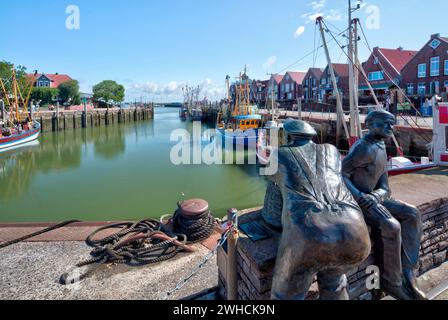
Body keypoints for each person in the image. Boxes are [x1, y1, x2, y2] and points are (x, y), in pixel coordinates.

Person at [270, 119, 371, 300]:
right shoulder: (331, 150)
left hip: (309, 236)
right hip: (356, 232)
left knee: (284, 296)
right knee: (335, 284)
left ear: (287, 136)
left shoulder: (280, 154)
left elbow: (272, 214)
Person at [342, 110, 426, 300]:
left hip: (374, 199)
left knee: (412, 213)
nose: (390, 128)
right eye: (385, 123)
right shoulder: (362, 148)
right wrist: (361, 196)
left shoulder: (381, 146)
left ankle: (408, 272)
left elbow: (385, 186)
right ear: (370, 125)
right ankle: (392, 282)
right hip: (359, 202)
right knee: (392, 226)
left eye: (392, 123)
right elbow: (341, 174)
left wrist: (377, 196)